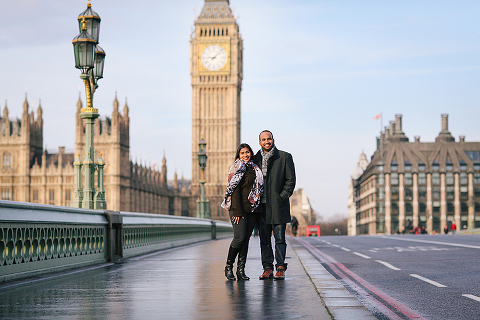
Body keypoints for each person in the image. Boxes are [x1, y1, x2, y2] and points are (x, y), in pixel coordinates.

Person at [253, 130, 296, 280]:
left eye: (269, 139)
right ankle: (267, 268)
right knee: (264, 240)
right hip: (261, 208)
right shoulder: (254, 159)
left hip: (278, 206)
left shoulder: (285, 157)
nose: (266, 141)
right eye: (263, 139)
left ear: (273, 140)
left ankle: (280, 268)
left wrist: (281, 197)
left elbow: (291, 181)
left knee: (279, 239)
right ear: (260, 142)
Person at [221, 143, 264, 281]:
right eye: (242, 153)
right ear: (238, 155)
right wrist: (238, 212)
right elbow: (234, 191)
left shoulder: (255, 168)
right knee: (239, 238)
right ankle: (229, 266)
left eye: (247, 152)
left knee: (246, 239)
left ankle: (241, 270)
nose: (245, 155)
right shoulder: (237, 167)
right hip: (237, 209)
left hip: (251, 209)